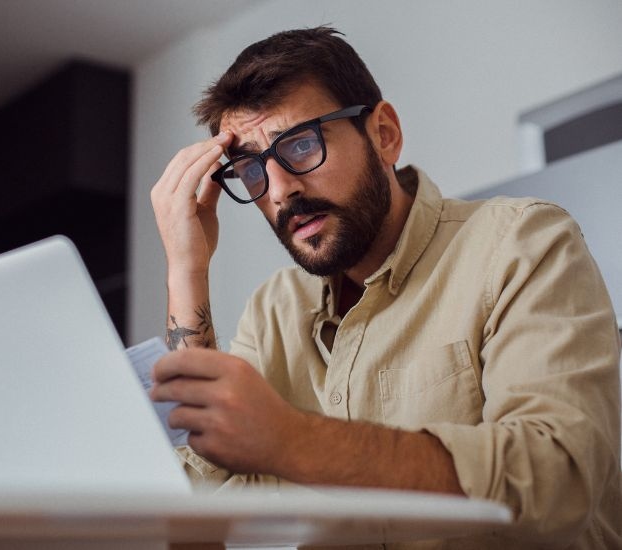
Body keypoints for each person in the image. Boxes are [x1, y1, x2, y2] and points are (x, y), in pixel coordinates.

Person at [149, 27, 621, 548]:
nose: (280, 191)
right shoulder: (273, 311)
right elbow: (196, 513)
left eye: (301, 145)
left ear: (384, 134)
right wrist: (186, 271)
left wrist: (292, 440)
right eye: (251, 169)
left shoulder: (521, 243)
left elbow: (557, 485)